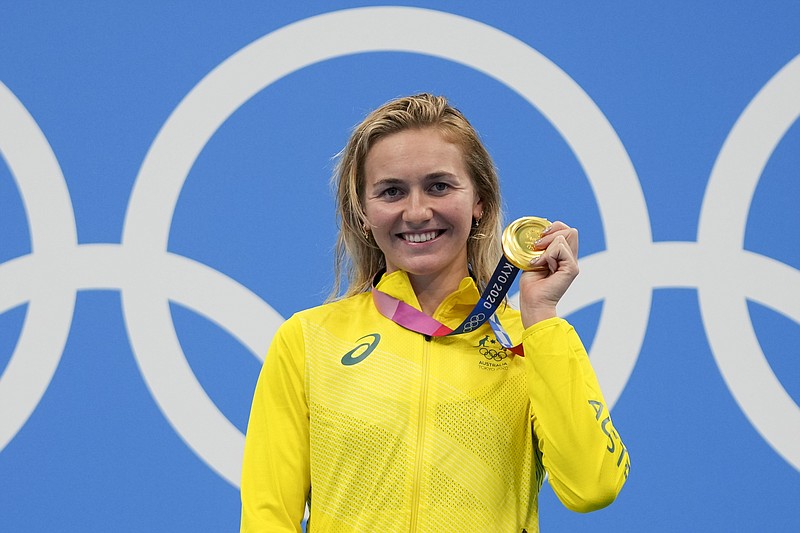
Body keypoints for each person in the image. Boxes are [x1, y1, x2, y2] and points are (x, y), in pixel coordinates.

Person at [241, 93, 630, 532]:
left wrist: (540, 315)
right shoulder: (308, 340)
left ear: (479, 200)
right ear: (363, 213)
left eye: (439, 186)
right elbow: (267, 519)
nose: (417, 211)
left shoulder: (528, 340)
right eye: (392, 191)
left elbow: (593, 486)